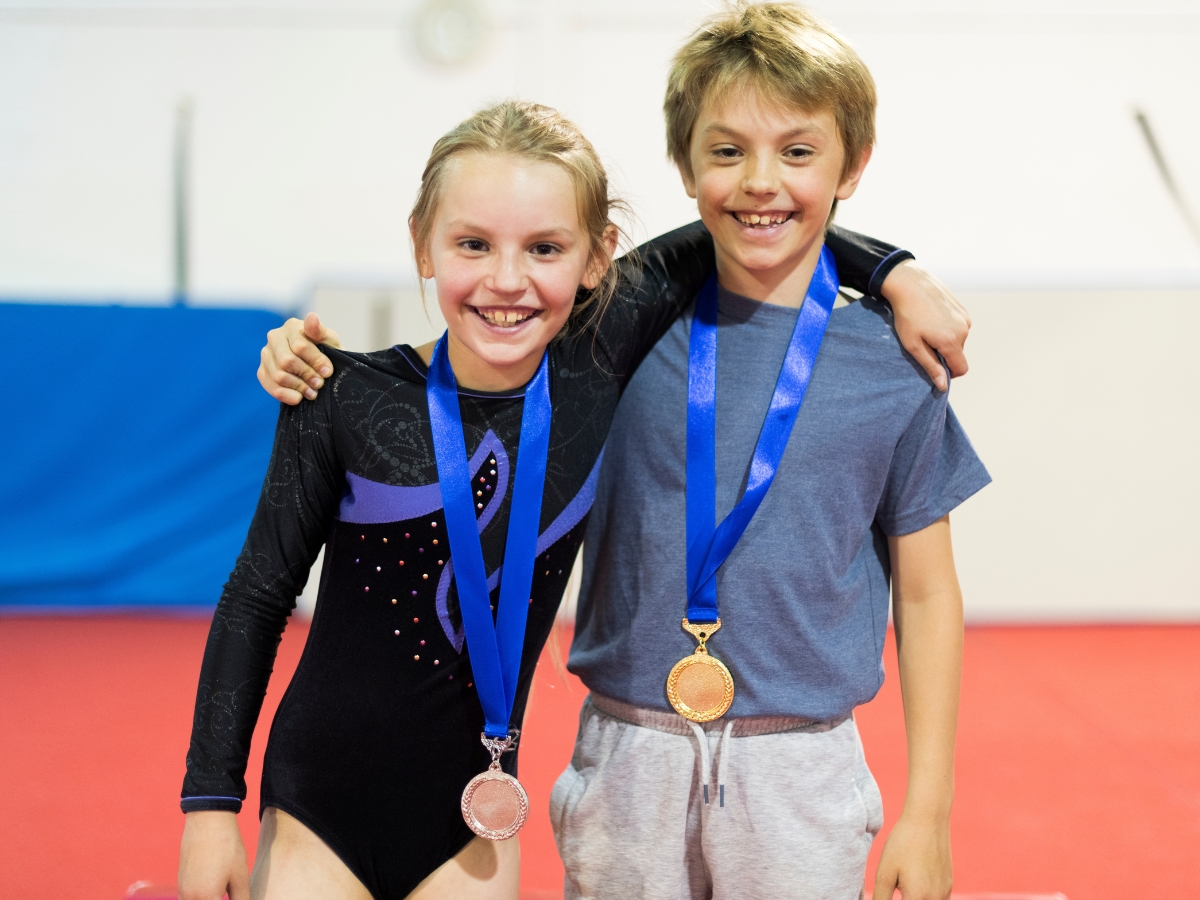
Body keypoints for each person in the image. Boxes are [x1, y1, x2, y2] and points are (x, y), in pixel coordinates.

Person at [180, 100, 942, 900]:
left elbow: (748, 218)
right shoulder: (342, 393)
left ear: (598, 257)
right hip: (315, 813)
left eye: (544, 248)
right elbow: (255, 599)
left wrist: (894, 270)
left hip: (471, 827)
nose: (506, 280)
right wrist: (209, 807)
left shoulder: (593, 368)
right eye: (472, 244)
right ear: (422, 245)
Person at [548, 4, 993, 900]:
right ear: (685, 165)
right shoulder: (613, 338)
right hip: (628, 751)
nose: (761, 182)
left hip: (801, 766)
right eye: (726, 151)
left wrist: (929, 810)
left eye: (798, 152)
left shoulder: (893, 363)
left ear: (852, 166)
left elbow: (930, 588)